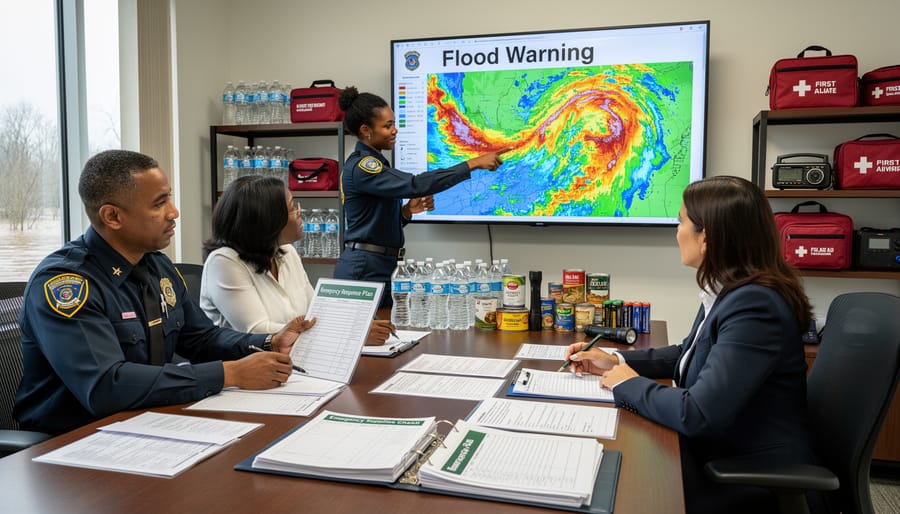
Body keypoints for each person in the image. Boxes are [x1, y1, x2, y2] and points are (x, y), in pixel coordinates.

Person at [564, 176, 822, 514]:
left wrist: (628, 384)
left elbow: (699, 414)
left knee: (611, 489)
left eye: (682, 221)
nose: (677, 231)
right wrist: (613, 361)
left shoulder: (755, 307)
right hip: (720, 451)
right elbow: (687, 354)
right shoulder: (730, 290)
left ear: (707, 237)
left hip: (746, 476)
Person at [14, 150, 313, 435]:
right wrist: (229, 374)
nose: (174, 212)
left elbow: (201, 339)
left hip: (147, 423)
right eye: (159, 204)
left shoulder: (156, 265)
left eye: (169, 197)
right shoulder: (66, 284)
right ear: (112, 217)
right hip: (71, 441)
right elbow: (106, 385)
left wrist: (268, 342)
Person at [333, 86, 509, 306]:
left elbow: (372, 222)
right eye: (387, 126)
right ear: (366, 130)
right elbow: (416, 184)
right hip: (364, 269)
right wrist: (472, 164)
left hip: (381, 265)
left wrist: (406, 212)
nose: (395, 130)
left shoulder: (376, 165)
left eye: (394, 123)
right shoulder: (363, 167)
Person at [200, 175, 393, 344]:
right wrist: (348, 335)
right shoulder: (224, 262)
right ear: (268, 220)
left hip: (293, 361)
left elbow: (315, 312)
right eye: (293, 208)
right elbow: (257, 330)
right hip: (246, 371)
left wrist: (355, 325)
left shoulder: (287, 253)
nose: (301, 213)